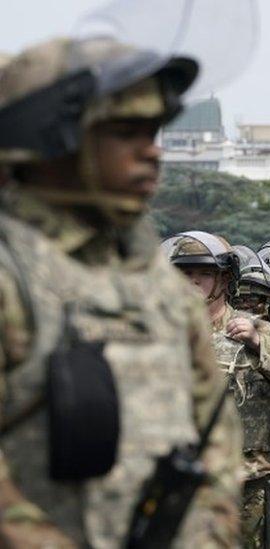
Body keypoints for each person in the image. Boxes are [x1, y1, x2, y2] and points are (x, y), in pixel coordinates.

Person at [0, 37, 242, 547]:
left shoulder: (160, 289)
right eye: (125, 132)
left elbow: (214, 441)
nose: (152, 150)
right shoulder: (12, 275)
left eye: (154, 131)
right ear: (56, 141)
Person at [164, 231, 270, 548]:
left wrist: (258, 344)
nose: (193, 282)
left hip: (244, 480)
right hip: (179, 478)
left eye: (204, 274)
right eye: (185, 274)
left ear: (225, 280)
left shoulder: (256, 328)